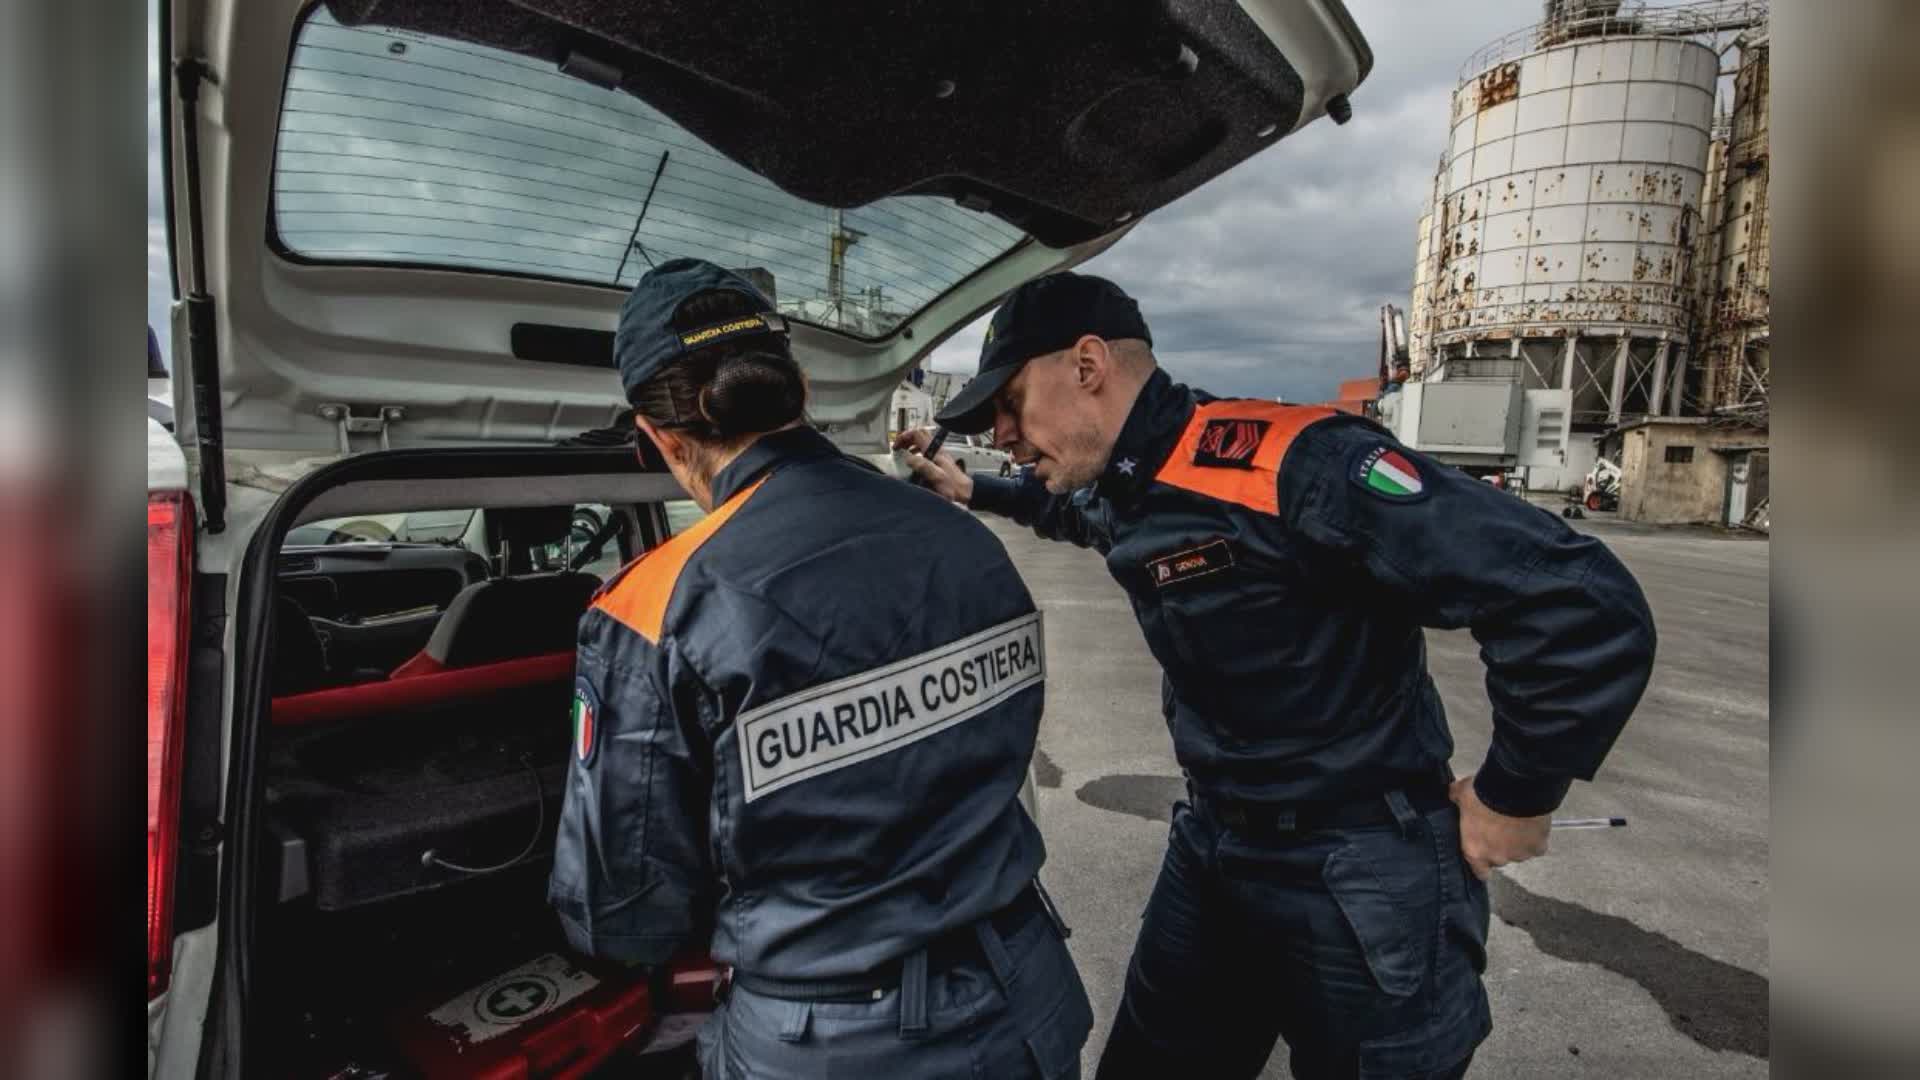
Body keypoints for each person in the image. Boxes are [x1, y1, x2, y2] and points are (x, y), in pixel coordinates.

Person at [895, 272, 1656, 1080]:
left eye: (1009, 403)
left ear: (1088, 366)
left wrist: (1517, 794)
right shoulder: (1129, 480)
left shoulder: (1295, 463)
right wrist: (974, 488)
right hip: (1217, 848)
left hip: (1362, 867)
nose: (1003, 432)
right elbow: (1078, 513)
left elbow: (1578, 602)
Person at [549, 258, 1091, 1079]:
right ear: (798, 388)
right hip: (1024, 996)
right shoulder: (965, 541)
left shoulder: (653, 605)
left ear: (658, 435)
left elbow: (624, 914)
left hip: (833, 1040)